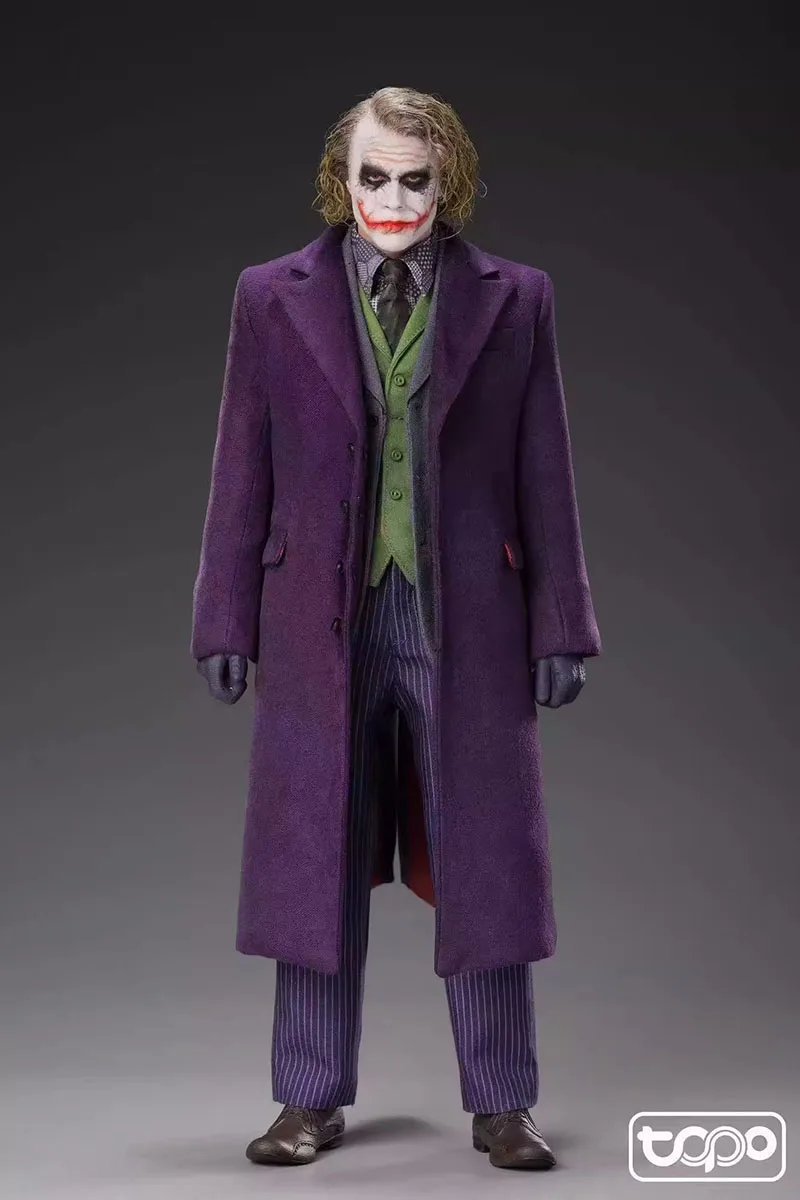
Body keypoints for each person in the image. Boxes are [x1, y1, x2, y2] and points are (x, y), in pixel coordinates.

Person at [191, 85, 602, 1170]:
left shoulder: (514, 299)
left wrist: (561, 622)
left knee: (486, 858)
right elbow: (241, 464)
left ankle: (503, 1101)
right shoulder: (269, 296)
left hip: (467, 617)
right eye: (372, 176)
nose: (392, 198)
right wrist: (223, 613)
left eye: (415, 180)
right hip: (317, 621)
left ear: (447, 180)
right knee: (312, 857)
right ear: (341, 178)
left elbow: (544, 468)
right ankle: (307, 1097)